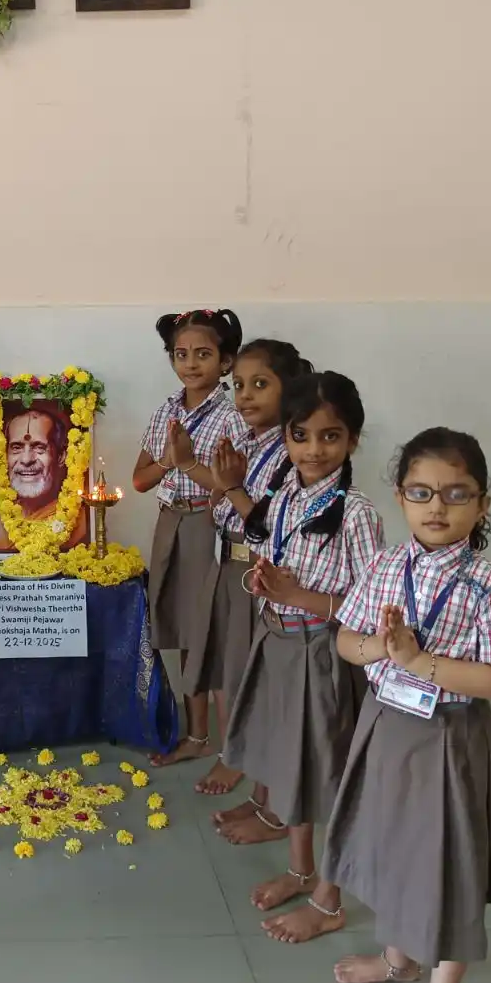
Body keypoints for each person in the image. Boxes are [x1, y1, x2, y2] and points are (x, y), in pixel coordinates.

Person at [318, 429, 491, 983]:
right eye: (421, 492)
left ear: (482, 503)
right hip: (385, 726)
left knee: (448, 861)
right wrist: (379, 651)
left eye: (456, 494)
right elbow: (346, 640)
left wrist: (417, 661)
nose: (437, 506)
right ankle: (398, 959)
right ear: (401, 498)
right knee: (391, 845)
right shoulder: (387, 566)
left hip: (448, 737)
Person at [217, 373, 384, 948]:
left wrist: (297, 597)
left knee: (327, 775)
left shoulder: (356, 513)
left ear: (353, 441)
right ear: (285, 438)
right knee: (293, 766)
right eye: (302, 435)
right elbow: (267, 550)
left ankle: (329, 900)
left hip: (323, 653)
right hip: (280, 642)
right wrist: (265, 581)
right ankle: (299, 868)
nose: (315, 449)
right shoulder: (285, 497)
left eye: (331, 436)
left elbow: (370, 608)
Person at [184, 340, 314, 789]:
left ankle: (249, 766)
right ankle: (231, 751)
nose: (246, 396)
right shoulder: (245, 439)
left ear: (289, 388)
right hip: (225, 563)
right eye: (239, 385)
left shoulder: (290, 452)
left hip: (254, 569)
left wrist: (233, 489)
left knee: (247, 674)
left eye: (261, 384)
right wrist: (191, 467)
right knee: (224, 666)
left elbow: (266, 523)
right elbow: (223, 487)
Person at [133, 308, 244, 766]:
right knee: (179, 628)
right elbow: (140, 479)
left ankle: (231, 748)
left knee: (210, 635)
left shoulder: (233, 415)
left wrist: (186, 463)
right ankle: (197, 735)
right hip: (170, 522)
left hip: (208, 525)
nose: (191, 363)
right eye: (181, 354)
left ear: (226, 361)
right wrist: (171, 461)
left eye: (203, 354)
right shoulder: (167, 409)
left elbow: (234, 486)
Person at [0, 406, 88, 553]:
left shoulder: (80, 520)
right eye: (16, 447)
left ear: (60, 456)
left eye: (39, 447)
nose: (26, 460)